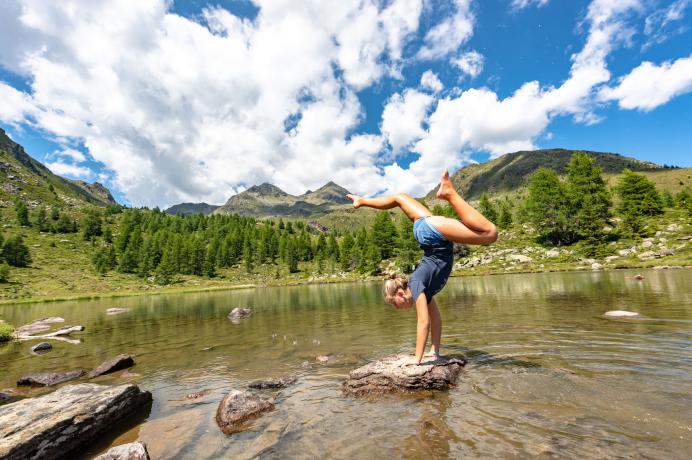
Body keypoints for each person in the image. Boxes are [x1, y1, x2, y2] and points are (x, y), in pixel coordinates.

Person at [346, 170, 497, 365]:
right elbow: (436, 321)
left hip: (433, 236)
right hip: (425, 230)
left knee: (489, 233)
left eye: (394, 303)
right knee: (400, 197)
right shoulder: (424, 292)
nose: (396, 308)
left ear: (401, 294)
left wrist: (416, 361)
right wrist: (434, 352)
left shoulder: (416, 285)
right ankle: (361, 201)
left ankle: (449, 193)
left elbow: (423, 323)